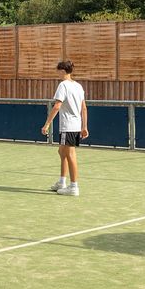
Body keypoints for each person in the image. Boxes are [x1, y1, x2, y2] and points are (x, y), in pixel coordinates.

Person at [41, 60, 87, 196]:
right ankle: (62, 182)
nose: (57, 74)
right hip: (76, 126)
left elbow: (57, 106)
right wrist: (84, 126)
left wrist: (47, 124)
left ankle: (74, 187)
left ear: (62, 71)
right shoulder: (78, 86)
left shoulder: (63, 85)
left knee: (70, 155)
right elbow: (83, 108)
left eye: (58, 71)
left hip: (68, 126)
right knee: (62, 152)